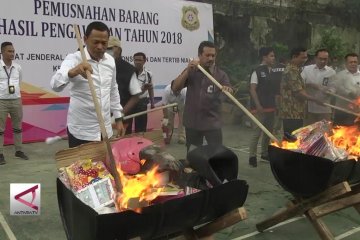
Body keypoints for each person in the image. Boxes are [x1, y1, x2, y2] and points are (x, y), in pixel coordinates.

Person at [50, 21, 125, 148]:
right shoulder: (74, 59)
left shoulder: (110, 61)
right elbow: (55, 85)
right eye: (96, 42)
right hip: (81, 131)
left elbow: (113, 90)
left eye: (104, 43)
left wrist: (118, 118)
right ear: (85, 39)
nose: (100, 47)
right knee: (81, 168)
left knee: (104, 166)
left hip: (105, 130)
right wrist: (74, 71)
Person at [172, 41, 233, 152]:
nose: (210, 58)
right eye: (207, 55)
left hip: (212, 124)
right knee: (193, 157)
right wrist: (187, 72)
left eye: (213, 55)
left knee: (216, 156)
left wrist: (228, 91)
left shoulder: (221, 75)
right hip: (193, 123)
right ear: (199, 55)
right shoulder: (192, 71)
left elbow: (228, 91)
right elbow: (175, 88)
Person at [248, 47, 283, 167]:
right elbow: (252, 89)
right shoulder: (257, 71)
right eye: (271, 56)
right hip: (259, 107)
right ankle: (252, 156)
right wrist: (258, 105)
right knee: (257, 132)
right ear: (264, 57)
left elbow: (275, 90)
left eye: (274, 56)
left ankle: (264, 153)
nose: (273, 58)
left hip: (271, 107)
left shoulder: (273, 71)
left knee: (268, 132)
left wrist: (277, 105)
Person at [280, 47, 323, 135]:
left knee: (296, 137)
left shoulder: (296, 69)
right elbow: (299, 93)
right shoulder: (291, 71)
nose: (305, 60)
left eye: (306, 57)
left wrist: (311, 85)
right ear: (294, 57)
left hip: (297, 111)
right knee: (292, 139)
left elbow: (295, 84)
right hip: (292, 112)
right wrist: (315, 100)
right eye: (302, 58)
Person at [0, 41, 29, 164]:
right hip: (1, 101)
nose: (12, 53)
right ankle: (0, 154)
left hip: (16, 100)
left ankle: (18, 150)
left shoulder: (18, 67)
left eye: (13, 51)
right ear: (2, 52)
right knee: (0, 129)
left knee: (18, 127)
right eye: (9, 51)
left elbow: (19, 82)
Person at [106, 36, 141, 134]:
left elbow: (136, 96)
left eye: (110, 48)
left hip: (121, 121)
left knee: (121, 147)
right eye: (106, 48)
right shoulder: (101, 66)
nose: (107, 51)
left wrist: (118, 115)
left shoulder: (128, 70)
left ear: (119, 50)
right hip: (102, 119)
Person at [301, 49, 336, 125]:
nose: (323, 61)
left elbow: (334, 87)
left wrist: (329, 92)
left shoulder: (331, 72)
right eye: (320, 59)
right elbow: (300, 83)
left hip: (325, 108)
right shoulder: (307, 69)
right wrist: (311, 85)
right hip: (309, 108)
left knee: (324, 133)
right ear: (315, 58)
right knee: (309, 133)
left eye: (325, 59)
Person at [127, 52, 155, 133]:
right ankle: (128, 144)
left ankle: (140, 144)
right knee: (127, 127)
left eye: (140, 60)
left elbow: (150, 89)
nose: (137, 62)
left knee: (141, 127)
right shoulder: (129, 72)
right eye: (135, 60)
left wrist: (152, 103)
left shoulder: (149, 74)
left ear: (144, 61)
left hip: (142, 103)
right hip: (129, 101)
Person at [333, 53, 360, 126]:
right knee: (339, 134)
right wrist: (348, 93)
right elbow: (335, 88)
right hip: (342, 111)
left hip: (357, 113)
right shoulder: (339, 75)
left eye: (355, 62)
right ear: (346, 63)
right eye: (351, 62)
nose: (353, 64)